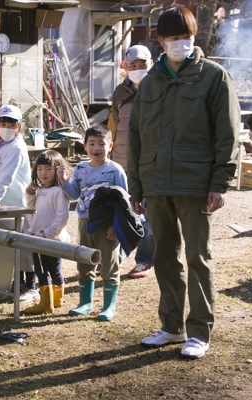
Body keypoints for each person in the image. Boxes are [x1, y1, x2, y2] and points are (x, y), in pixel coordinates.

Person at [127, 7, 240, 359]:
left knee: (198, 257)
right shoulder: (150, 82)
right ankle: (171, 327)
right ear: (161, 41)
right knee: (163, 256)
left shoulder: (214, 77)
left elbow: (228, 133)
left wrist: (220, 181)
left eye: (186, 37)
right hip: (156, 182)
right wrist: (137, 187)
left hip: (195, 183)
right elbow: (135, 138)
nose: (181, 44)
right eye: (174, 38)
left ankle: (199, 332)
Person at [59, 124, 127, 321]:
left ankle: (108, 307)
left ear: (110, 146)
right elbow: (74, 195)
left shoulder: (116, 170)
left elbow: (124, 201)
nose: (96, 148)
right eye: (92, 144)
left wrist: (116, 225)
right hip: (84, 221)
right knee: (85, 261)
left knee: (109, 264)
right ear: (85, 146)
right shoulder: (80, 168)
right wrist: (64, 181)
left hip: (107, 224)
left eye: (101, 144)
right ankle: (85, 303)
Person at [0, 104, 38, 303]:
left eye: (11, 124)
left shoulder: (17, 147)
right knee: (12, 245)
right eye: (3, 123)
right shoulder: (3, 145)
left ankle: (31, 285)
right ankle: (17, 283)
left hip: (19, 203)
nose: (7, 127)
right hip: (7, 203)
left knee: (25, 245)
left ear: (19, 126)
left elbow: (7, 177)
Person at [109, 45, 156, 279]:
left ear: (152, 63)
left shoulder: (159, 87)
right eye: (133, 65)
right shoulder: (119, 92)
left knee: (147, 213)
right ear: (125, 66)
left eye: (142, 64)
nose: (138, 69)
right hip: (122, 161)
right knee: (119, 211)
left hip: (149, 163)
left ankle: (145, 260)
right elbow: (115, 125)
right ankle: (115, 257)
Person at [23, 150, 70, 315]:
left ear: (58, 170)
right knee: (49, 269)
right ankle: (55, 301)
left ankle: (46, 304)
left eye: (48, 169)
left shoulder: (58, 191)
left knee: (44, 270)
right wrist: (30, 195)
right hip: (40, 237)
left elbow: (62, 216)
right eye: (40, 169)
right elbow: (34, 212)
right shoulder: (42, 190)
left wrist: (49, 233)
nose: (43, 173)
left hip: (49, 239)